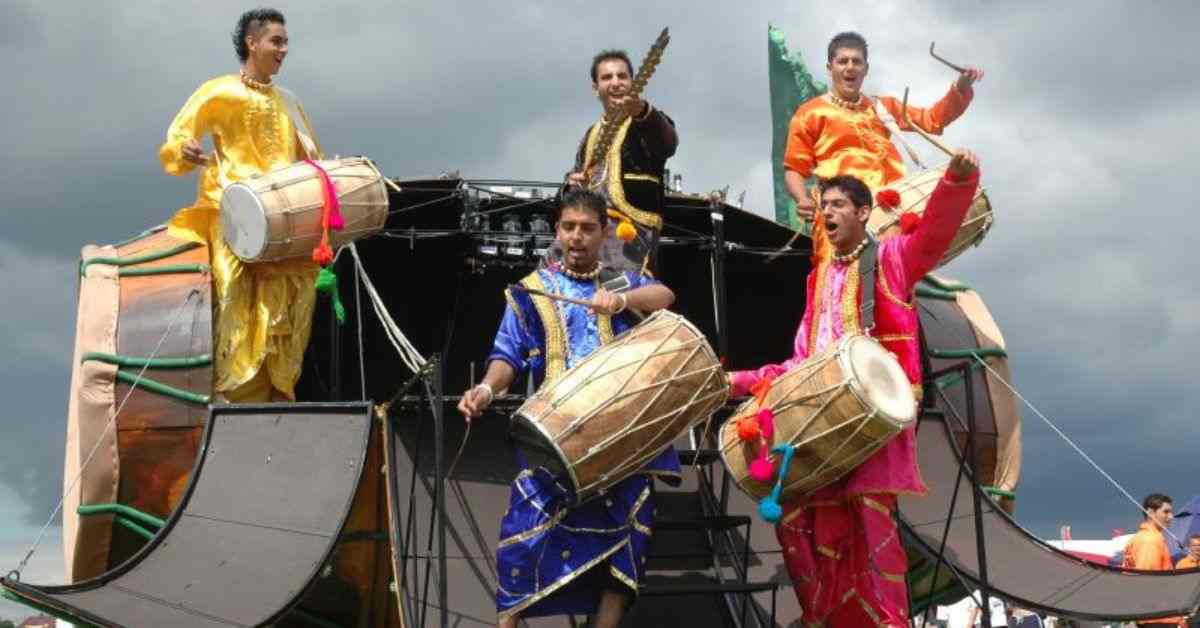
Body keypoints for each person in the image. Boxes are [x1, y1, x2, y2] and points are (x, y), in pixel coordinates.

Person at [729, 149, 983, 626]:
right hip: (819, 428)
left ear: (863, 212)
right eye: (823, 205)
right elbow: (799, 364)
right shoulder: (818, 280)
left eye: (838, 205)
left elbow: (933, 235)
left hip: (874, 426)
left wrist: (958, 182)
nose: (826, 212)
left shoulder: (890, 261)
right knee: (800, 528)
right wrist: (740, 382)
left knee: (870, 533)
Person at [458, 189, 678, 628]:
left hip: (616, 435)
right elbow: (507, 356)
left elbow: (665, 296)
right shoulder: (532, 291)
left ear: (604, 233)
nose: (577, 237)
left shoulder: (616, 282)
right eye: (568, 227)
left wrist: (622, 301)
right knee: (522, 541)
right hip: (554, 433)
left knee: (627, 546)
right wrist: (484, 390)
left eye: (587, 228)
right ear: (557, 231)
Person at [159, 9, 323, 402]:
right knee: (233, 293)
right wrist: (186, 151)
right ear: (253, 42)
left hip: (283, 218)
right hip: (232, 210)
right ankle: (229, 397)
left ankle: (278, 394)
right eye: (276, 41)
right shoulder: (219, 92)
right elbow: (176, 140)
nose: (284, 49)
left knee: (295, 298)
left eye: (286, 42)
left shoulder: (291, 103)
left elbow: (310, 160)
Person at [784, 31, 984, 227]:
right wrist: (802, 199)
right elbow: (794, 168)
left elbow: (932, 120)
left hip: (890, 210)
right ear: (830, 67)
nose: (850, 67)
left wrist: (962, 87)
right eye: (843, 61)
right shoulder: (809, 113)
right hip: (840, 215)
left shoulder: (883, 107)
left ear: (866, 68)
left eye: (857, 61)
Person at [566, 49, 678, 274]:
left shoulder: (647, 121)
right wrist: (572, 184)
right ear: (595, 88)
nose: (616, 83)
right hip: (588, 234)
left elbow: (667, 144)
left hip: (630, 234)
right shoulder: (591, 134)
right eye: (607, 78)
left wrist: (643, 111)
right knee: (542, 289)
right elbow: (575, 179)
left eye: (622, 76)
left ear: (632, 82)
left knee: (619, 301)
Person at [1122, 493, 1184, 627]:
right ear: (1150, 512)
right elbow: (1148, 580)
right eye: (1166, 512)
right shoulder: (1150, 540)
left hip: (1155, 615)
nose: (1171, 516)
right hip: (1157, 617)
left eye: (1171, 512)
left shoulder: (1146, 537)